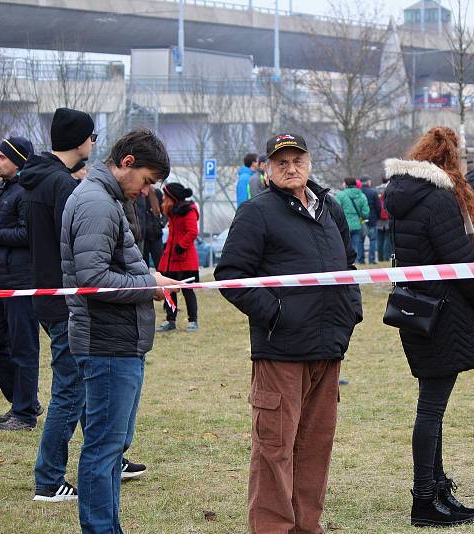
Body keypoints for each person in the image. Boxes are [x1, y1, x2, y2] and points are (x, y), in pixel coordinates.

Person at [214, 133, 362, 534]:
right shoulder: (256, 212)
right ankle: (273, 528)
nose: (291, 167)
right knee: (274, 449)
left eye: (297, 159)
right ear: (267, 167)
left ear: (309, 162)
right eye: (281, 162)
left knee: (315, 448)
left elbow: (348, 265)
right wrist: (276, 315)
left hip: (327, 349)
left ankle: (306, 526)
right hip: (280, 351)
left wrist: (351, 311)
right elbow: (230, 277)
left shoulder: (329, 208)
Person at [61, 129, 178, 533]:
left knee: (111, 448)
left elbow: (114, 265)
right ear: (127, 162)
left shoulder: (104, 198)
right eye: (146, 181)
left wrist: (149, 274)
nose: (146, 192)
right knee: (103, 449)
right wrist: (150, 286)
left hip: (119, 342)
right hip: (106, 344)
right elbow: (94, 278)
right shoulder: (97, 203)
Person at [384, 127, 474, 527]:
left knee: (433, 405)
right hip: (442, 312)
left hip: (416, 310)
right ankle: (425, 498)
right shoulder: (440, 201)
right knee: (431, 408)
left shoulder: (404, 199)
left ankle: (437, 487)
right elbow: (463, 264)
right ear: (451, 159)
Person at [20, 107, 95, 502]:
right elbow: (76, 248)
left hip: (46, 296)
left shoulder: (37, 180)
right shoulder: (62, 186)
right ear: (80, 140)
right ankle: (49, 480)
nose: (94, 143)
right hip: (64, 300)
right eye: (91, 136)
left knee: (80, 383)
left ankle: (108, 457)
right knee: (70, 388)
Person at [0, 136, 40, 432]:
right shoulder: (5, 190)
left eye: (1, 156)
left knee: (23, 348)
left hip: (22, 283)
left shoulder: (26, 192)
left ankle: (24, 414)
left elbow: (28, 236)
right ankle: (22, 402)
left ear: (17, 160)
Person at [156, 183, 200, 333]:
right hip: (170, 259)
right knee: (169, 290)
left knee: (188, 291)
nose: (163, 199)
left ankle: (193, 320)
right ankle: (170, 319)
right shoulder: (172, 211)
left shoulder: (188, 211)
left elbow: (192, 232)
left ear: (172, 197)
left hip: (185, 259)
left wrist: (180, 246)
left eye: (166, 196)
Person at [335, 177, 369, 263]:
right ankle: (354, 262)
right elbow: (366, 212)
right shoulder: (362, 195)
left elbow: (335, 210)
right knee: (355, 245)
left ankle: (344, 262)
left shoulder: (340, 195)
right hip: (357, 224)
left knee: (343, 245)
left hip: (343, 225)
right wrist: (361, 217)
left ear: (346, 184)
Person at [140, 186, 166, 270]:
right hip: (143, 236)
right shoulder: (137, 193)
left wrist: (161, 223)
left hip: (156, 234)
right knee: (143, 266)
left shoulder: (156, 192)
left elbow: (165, 211)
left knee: (161, 265)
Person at [361, 177, 380, 263]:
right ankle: (372, 259)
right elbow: (378, 207)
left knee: (361, 240)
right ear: (368, 182)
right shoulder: (373, 192)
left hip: (361, 219)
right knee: (372, 240)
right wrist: (377, 216)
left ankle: (360, 259)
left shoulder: (359, 192)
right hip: (372, 219)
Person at [376, 176, 392, 263]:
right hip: (388, 217)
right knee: (387, 238)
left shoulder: (376, 190)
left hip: (379, 218)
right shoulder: (390, 189)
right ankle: (386, 257)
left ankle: (380, 258)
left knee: (379, 239)